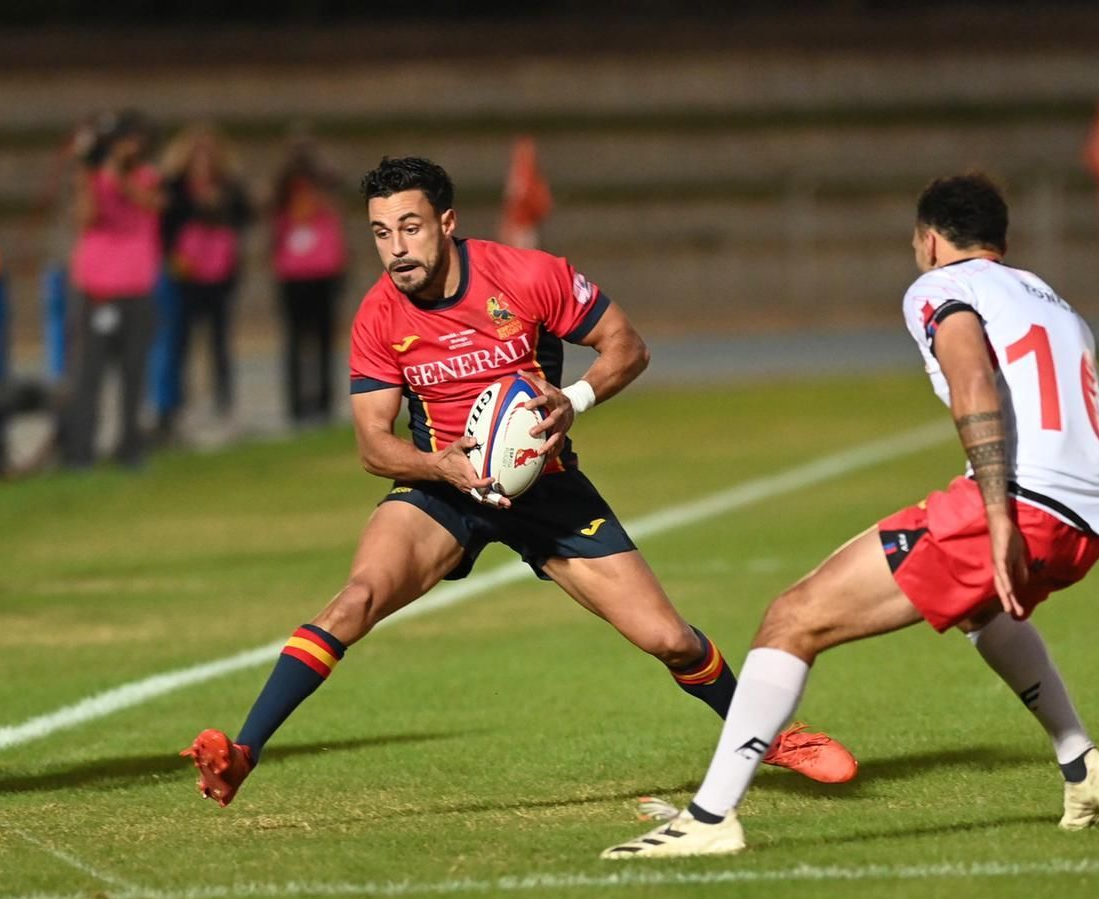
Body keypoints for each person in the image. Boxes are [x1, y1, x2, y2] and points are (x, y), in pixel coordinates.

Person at [181, 156, 857, 805]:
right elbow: (372, 445)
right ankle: (244, 752)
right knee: (354, 600)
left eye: (409, 227)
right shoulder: (379, 314)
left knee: (670, 639)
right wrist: (437, 465)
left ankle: (767, 736)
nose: (396, 249)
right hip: (443, 489)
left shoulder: (527, 275)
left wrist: (577, 398)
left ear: (446, 223)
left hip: (548, 490)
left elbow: (627, 344)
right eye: (381, 233)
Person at [602, 174, 1099, 859]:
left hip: (1021, 502)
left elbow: (971, 379)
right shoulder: (1058, 305)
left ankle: (709, 819)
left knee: (792, 618)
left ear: (932, 240)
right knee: (981, 612)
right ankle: (1082, 764)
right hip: (1089, 519)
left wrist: (998, 511)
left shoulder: (942, 287)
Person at [61, 109, 163, 469]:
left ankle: (130, 447)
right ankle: (81, 450)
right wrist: (87, 174)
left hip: (136, 286)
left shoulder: (147, 176)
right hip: (97, 287)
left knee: (134, 371)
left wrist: (116, 175)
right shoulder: (92, 178)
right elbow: (86, 218)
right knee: (89, 371)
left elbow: (150, 203)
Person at [157, 123, 251, 438]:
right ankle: (177, 403)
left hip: (219, 275)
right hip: (185, 274)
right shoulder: (174, 187)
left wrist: (219, 204)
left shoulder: (228, 186)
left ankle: (223, 400)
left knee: (219, 342)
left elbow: (245, 216)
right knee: (179, 341)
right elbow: (164, 225)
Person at [270, 137, 349, 426]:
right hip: (293, 274)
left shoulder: (326, 189)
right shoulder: (283, 191)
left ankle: (324, 402)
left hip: (324, 271)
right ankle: (297, 405)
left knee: (325, 340)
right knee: (295, 341)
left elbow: (339, 182)